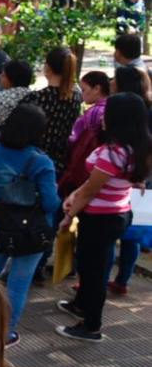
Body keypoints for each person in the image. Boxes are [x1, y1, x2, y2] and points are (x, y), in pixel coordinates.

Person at [57, 92, 151, 342]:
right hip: (118, 212)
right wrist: (75, 195)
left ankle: (91, 327)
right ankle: (80, 305)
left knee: (94, 271)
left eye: (107, 114)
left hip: (100, 218)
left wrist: (69, 215)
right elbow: (94, 183)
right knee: (93, 266)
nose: (102, 118)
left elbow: (91, 190)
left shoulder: (114, 153)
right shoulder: (138, 148)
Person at [0, 105, 61, 347]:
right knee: (18, 284)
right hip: (31, 233)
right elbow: (50, 203)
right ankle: (5, 334)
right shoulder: (42, 162)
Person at [20, 47, 82, 176]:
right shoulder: (76, 98)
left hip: (31, 162)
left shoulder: (36, 98)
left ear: (47, 67)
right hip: (59, 162)